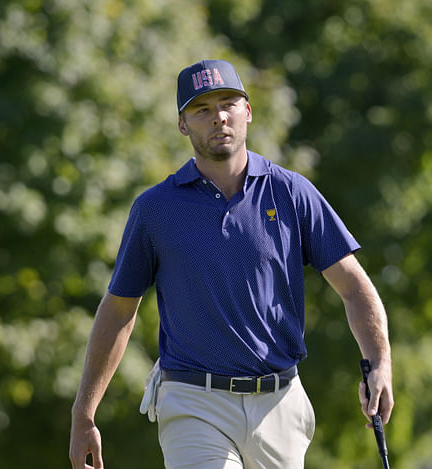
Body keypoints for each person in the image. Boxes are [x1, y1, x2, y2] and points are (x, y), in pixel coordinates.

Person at [69, 59, 393, 469]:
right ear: (183, 125)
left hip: (280, 403)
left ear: (248, 112)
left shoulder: (291, 193)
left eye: (228, 103)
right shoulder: (155, 210)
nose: (218, 117)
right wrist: (84, 413)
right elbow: (118, 311)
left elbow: (353, 287)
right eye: (201, 110)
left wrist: (380, 363)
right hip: (193, 402)